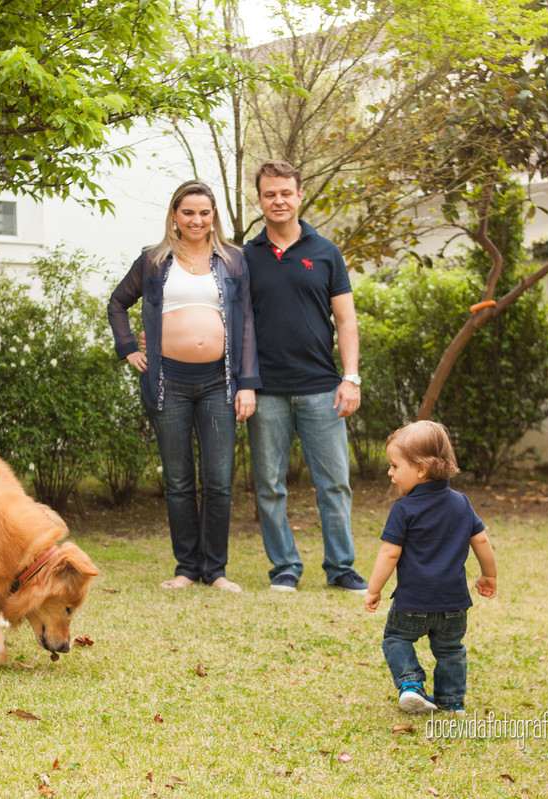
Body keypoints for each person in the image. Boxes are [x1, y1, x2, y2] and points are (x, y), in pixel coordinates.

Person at [108, 180, 260, 593]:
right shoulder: (153, 260)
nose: (197, 220)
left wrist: (246, 384)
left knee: (219, 480)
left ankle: (217, 571)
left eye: (204, 212)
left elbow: (245, 322)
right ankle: (186, 569)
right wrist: (128, 349)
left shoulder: (233, 260)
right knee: (178, 481)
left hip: (218, 384)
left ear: (214, 216)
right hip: (167, 384)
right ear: (174, 214)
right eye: (188, 212)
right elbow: (118, 303)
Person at [243, 159, 368, 594]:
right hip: (267, 392)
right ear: (259, 200)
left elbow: (347, 322)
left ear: (299, 195)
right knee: (270, 487)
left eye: (285, 193)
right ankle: (285, 569)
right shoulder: (246, 257)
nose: (278, 200)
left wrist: (350, 378)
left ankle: (341, 568)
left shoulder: (325, 251)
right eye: (269, 194)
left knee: (334, 484)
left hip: (322, 388)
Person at [364, 420, 498, 714]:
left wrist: (374, 589)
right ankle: (452, 702)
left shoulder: (403, 509)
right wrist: (488, 575)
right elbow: (483, 541)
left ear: (421, 469)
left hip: (413, 601)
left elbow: (389, 554)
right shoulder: (462, 503)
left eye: (395, 466)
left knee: (396, 639)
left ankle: (410, 684)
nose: (390, 473)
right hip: (453, 605)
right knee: (450, 650)